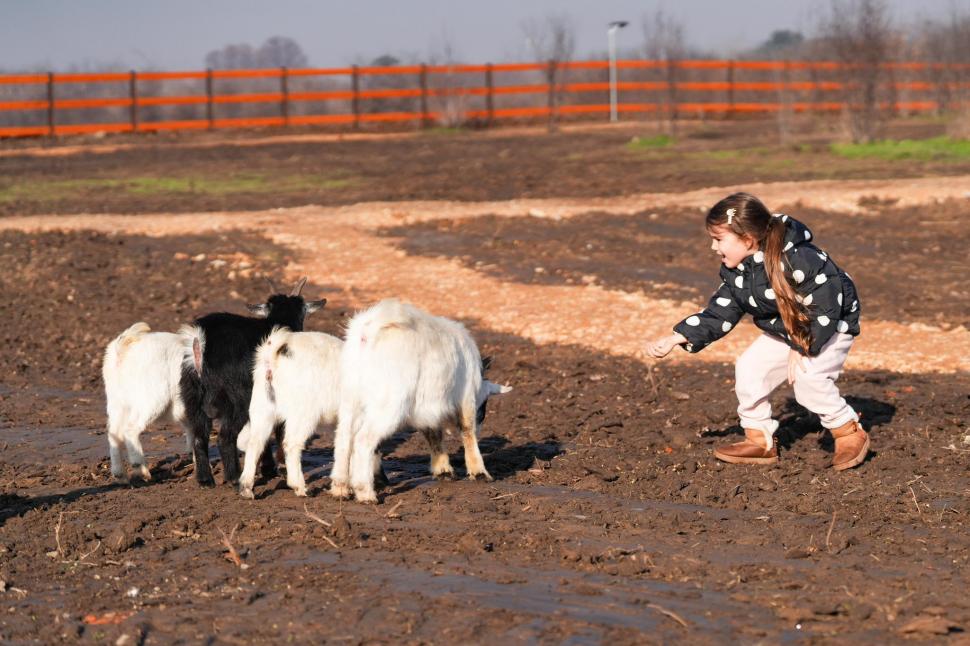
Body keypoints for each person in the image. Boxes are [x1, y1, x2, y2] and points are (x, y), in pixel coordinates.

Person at [646, 192, 869, 470]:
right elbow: (721, 310)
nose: (713, 247)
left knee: (808, 377)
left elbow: (826, 305)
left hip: (828, 326)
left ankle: (847, 430)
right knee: (749, 369)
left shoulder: (800, 259)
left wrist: (801, 345)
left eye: (718, 239)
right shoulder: (739, 271)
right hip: (786, 329)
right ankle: (759, 439)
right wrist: (678, 336)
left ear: (748, 240)